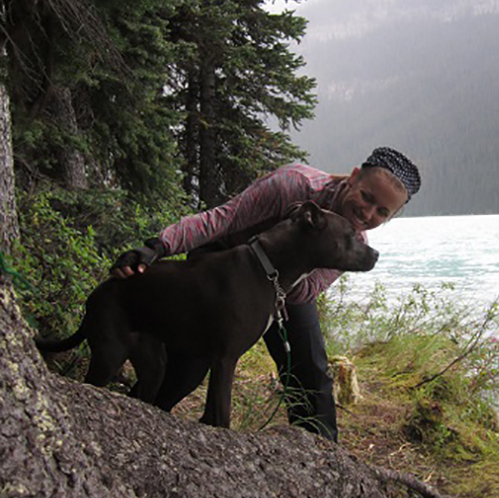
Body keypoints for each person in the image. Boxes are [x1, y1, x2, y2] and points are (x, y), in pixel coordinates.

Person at [111, 147, 421, 442]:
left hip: (284, 291)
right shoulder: (295, 185)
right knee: (188, 366)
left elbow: (306, 291)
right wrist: (159, 246)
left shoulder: (352, 242)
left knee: (311, 373)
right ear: (353, 177)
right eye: (366, 196)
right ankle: (128, 422)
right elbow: (224, 219)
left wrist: (283, 275)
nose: (367, 213)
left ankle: (322, 458)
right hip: (223, 264)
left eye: (382, 211)